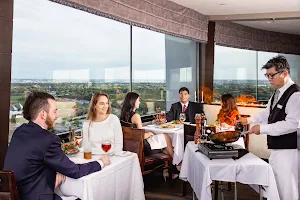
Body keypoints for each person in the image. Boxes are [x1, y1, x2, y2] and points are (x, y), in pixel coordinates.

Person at [3, 91, 110, 200]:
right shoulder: (47, 139)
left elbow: (32, 162)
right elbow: (75, 171)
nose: (57, 115)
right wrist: (100, 162)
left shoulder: (19, 131)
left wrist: (55, 171)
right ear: (43, 114)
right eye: (54, 111)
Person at [238, 55, 300, 200]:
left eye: (271, 75)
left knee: (288, 191)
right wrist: (249, 120)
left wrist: (262, 129)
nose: (269, 79)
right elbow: (267, 114)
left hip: (290, 151)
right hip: (277, 149)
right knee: (276, 188)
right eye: (267, 75)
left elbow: (292, 124)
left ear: (285, 73)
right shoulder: (277, 93)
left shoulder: (295, 95)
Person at [120, 92, 176, 179]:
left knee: (165, 145)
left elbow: (134, 134)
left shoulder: (122, 115)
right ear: (133, 102)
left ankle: (170, 166)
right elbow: (140, 136)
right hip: (143, 148)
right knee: (165, 136)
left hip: (131, 147)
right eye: (138, 100)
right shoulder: (136, 116)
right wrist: (149, 134)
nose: (139, 102)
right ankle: (175, 163)